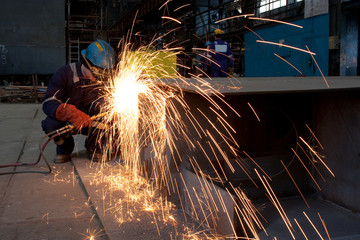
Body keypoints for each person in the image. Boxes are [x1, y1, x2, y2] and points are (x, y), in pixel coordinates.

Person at [41, 39, 116, 163]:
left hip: (91, 122)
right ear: (86, 63)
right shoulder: (64, 74)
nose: (97, 79)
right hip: (69, 123)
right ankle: (65, 149)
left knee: (105, 111)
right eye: (96, 73)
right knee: (50, 124)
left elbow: (111, 100)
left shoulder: (103, 79)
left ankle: (94, 148)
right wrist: (70, 113)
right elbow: (48, 102)